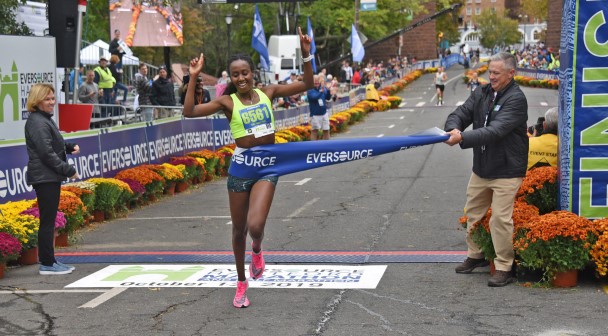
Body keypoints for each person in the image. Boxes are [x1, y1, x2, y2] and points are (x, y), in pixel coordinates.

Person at [183, 26, 314, 308]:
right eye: (235, 74)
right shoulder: (226, 102)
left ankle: (258, 249)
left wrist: (306, 55)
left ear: (253, 73)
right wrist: (193, 77)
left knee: (256, 227)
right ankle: (241, 282)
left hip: (267, 166)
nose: (241, 78)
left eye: (245, 73)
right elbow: (190, 112)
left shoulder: (269, 91)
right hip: (242, 168)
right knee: (238, 230)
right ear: (230, 78)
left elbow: (307, 84)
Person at [444, 52, 528, 287]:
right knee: (473, 212)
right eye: (489, 72)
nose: (491, 77)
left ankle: (504, 266)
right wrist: (453, 128)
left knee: (500, 219)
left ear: (511, 73)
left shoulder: (516, 99)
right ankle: (476, 255)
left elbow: (495, 131)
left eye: (496, 73)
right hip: (482, 168)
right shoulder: (481, 92)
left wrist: (461, 138)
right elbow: (460, 114)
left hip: (507, 170)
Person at [24, 83, 80, 275]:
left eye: (52, 98)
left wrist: (68, 147)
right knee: (47, 222)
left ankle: (50, 261)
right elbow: (46, 153)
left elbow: (53, 143)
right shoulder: (38, 122)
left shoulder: (44, 119)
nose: (51, 102)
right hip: (45, 177)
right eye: (47, 99)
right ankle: (47, 263)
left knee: (49, 220)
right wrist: (68, 170)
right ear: (37, 101)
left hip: (48, 176)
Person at [307, 75, 332, 140]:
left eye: (318, 82)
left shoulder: (323, 88)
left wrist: (328, 90)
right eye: (315, 82)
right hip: (315, 115)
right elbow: (314, 97)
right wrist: (321, 92)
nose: (317, 83)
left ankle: (326, 147)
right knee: (315, 131)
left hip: (324, 113)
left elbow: (328, 97)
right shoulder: (310, 90)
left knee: (326, 130)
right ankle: (313, 148)